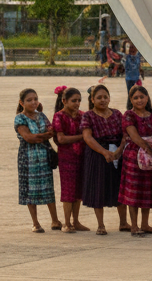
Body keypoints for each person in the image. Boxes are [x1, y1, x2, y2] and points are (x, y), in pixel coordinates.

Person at [81, 83, 126, 236]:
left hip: (117, 152)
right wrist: (104, 152)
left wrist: (119, 150)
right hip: (97, 153)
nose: (102, 100)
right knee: (98, 188)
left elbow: (125, 134)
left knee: (119, 187)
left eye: (105, 97)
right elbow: (87, 137)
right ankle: (101, 224)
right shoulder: (88, 116)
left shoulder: (117, 114)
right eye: (99, 97)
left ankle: (123, 222)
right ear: (92, 99)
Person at [14, 87, 59, 233]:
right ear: (22, 102)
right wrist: (44, 135)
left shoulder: (41, 115)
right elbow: (29, 138)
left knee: (48, 187)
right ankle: (36, 223)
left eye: (35, 99)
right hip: (28, 158)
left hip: (44, 156)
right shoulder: (20, 118)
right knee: (30, 190)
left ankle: (55, 220)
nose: (33, 102)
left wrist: (41, 136)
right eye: (29, 100)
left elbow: (51, 131)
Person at [118, 84, 152, 236]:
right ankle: (134, 225)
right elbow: (134, 136)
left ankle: (145, 224)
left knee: (146, 191)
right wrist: (149, 149)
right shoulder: (128, 115)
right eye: (135, 98)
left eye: (141, 97)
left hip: (150, 158)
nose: (139, 100)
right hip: (134, 156)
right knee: (133, 192)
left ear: (147, 97)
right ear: (131, 100)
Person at [52, 86, 86, 233]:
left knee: (78, 189)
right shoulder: (59, 116)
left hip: (81, 156)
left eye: (79, 100)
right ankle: (67, 222)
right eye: (74, 101)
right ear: (64, 101)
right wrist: (82, 137)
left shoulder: (82, 115)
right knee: (68, 190)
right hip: (66, 157)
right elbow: (61, 139)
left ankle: (76, 221)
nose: (77, 103)